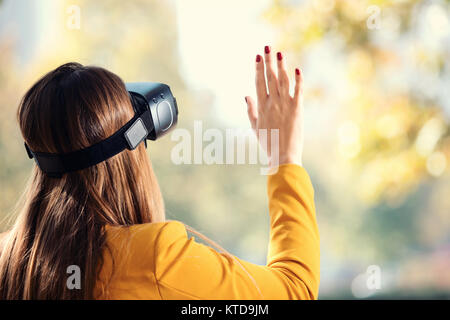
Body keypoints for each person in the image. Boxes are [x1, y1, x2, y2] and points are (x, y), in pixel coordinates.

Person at [0, 46, 320, 299]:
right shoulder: (152, 260)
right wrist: (284, 158)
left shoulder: (8, 262)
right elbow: (294, 291)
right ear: (132, 150)